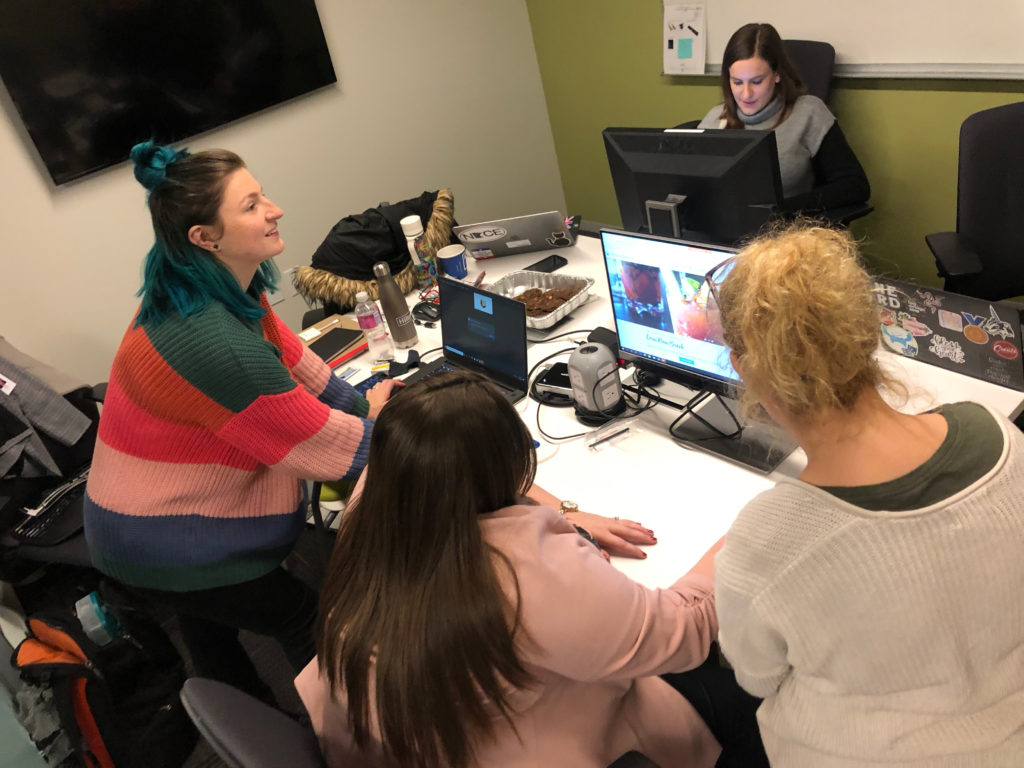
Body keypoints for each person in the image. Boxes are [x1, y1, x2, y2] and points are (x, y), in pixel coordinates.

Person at [295, 370, 767, 768]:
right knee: (747, 692)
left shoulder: (377, 500)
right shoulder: (521, 573)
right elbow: (681, 632)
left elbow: (458, 470)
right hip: (516, 749)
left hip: (399, 740)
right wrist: (753, 534)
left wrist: (566, 512)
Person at [83, 140, 401, 703]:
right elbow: (319, 444)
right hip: (163, 535)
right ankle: (342, 734)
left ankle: (243, 728)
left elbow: (293, 363)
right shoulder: (209, 338)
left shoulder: (206, 287)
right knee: (310, 618)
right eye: (251, 205)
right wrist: (405, 434)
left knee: (211, 637)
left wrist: (363, 402)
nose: (274, 209)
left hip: (137, 518)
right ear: (205, 238)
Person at [711, 222, 1024, 766]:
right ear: (867, 330)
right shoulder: (999, 435)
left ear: (744, 369)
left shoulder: (767, 541)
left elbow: (756, 678)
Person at [697, 23, 869, 215]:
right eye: (737, 82)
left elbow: (855, 185)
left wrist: (781, 210)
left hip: (785, 234)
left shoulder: (809, 113)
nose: (746, 94)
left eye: (756, 81)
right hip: (721, 231)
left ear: (777, 74)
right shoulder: (714, 118)